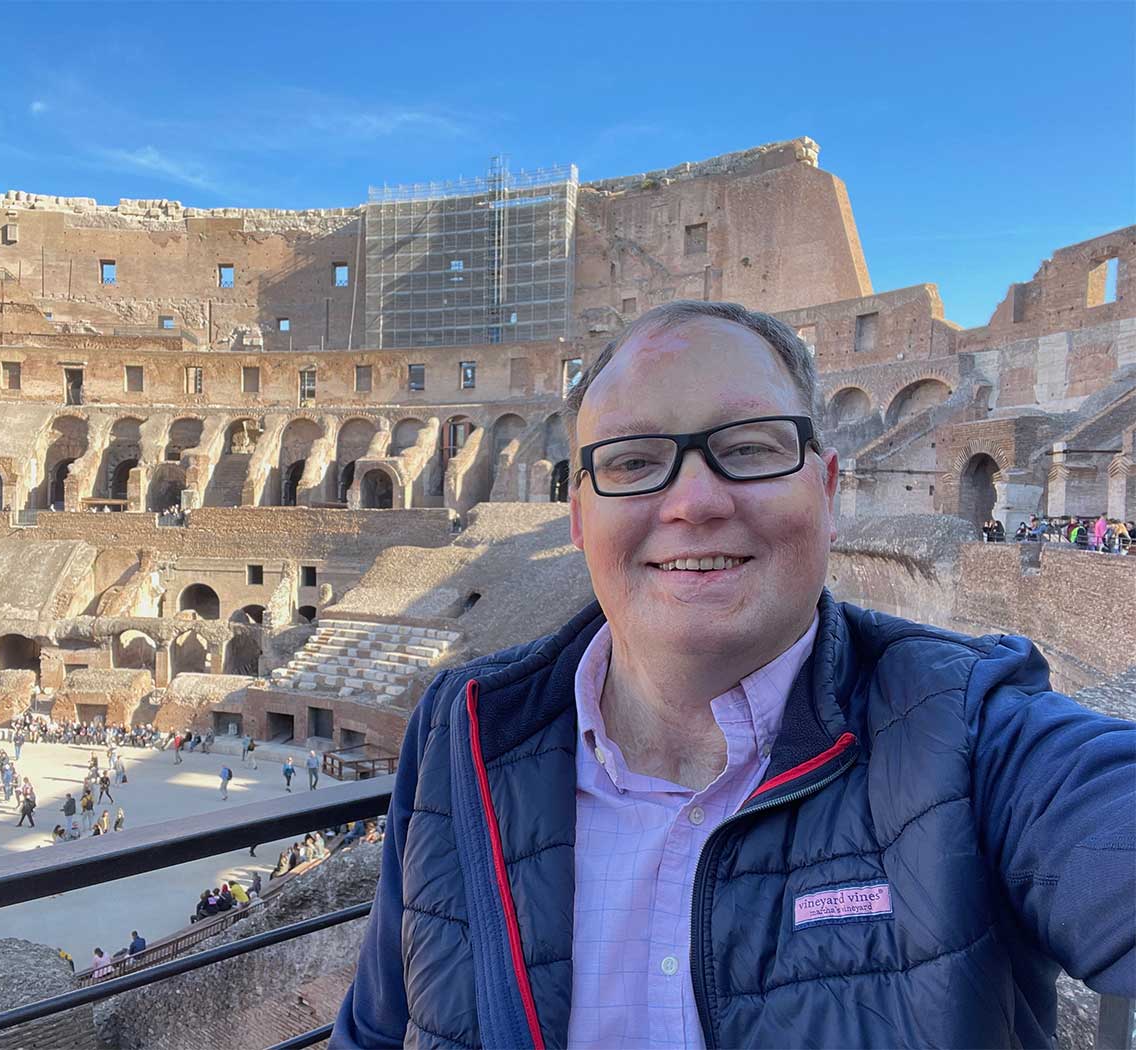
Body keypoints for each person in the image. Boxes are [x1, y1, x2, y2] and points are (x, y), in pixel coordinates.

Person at [331, 299, 1136, 1049]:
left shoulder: (974, 730)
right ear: (577, 517)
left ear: (826, 488)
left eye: (749, 448)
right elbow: (373, 1030)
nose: (693, 502)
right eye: (634, 460)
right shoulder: (463, 727)